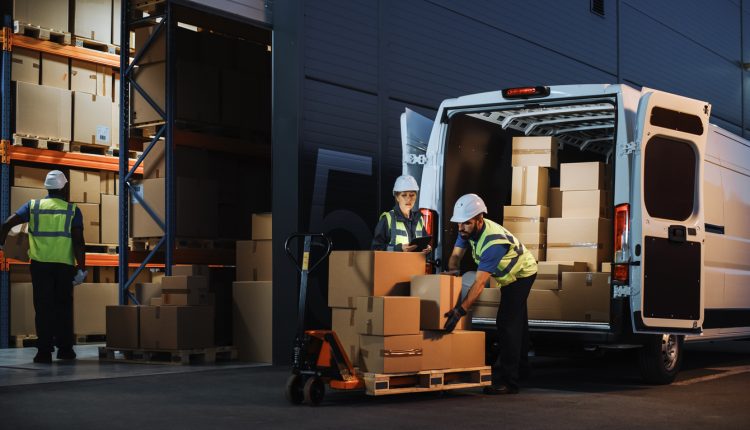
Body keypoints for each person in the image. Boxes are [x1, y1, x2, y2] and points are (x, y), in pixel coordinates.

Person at [442, 193, 537, 395]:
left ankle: (509, 382)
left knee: (507, 323)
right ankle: (524, 370)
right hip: (509, 275)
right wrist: (450, 277)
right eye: (459, 223)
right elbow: (455, 257)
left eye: (466, 224)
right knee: (518, 321)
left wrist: (460, 311)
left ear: (479, 219)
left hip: (521, 274)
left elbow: (480, 283)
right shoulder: (466, 229)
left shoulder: (493, 243)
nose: (460, 228)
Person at [0, 170, 87, 364]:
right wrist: (81, 268)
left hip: (40, 266)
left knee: (43, 308)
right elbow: (79, 242)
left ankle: (44, 352)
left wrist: (2, 244)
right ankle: (65, 350)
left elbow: (6, 224)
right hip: (64, 266)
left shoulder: (33, 207)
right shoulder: (72, 210)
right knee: (63, 307)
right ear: (64, 187)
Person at [371, 175, 432, 254]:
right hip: (395, 266)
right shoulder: (387, 219)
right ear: (397, 197)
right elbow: (376, 249)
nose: (408, 199)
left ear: (416, 196)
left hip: (414, 266)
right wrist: (398, 248)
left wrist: (427, 248)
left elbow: (423, 246)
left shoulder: (419, 220)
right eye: (404, 195)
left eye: (412, 195)